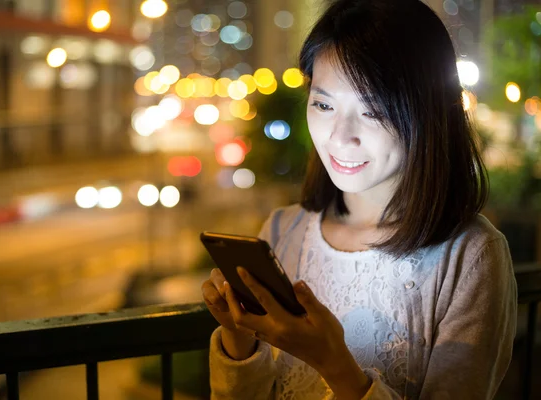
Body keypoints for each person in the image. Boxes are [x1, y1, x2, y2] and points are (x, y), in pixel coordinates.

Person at [200, 0, 518, 398]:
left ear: (429, 111)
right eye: (324, 104)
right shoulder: (284, 230)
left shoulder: (470, 256)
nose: (339, 136)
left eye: (373, 110)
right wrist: (239, 336)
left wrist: (334, 364)